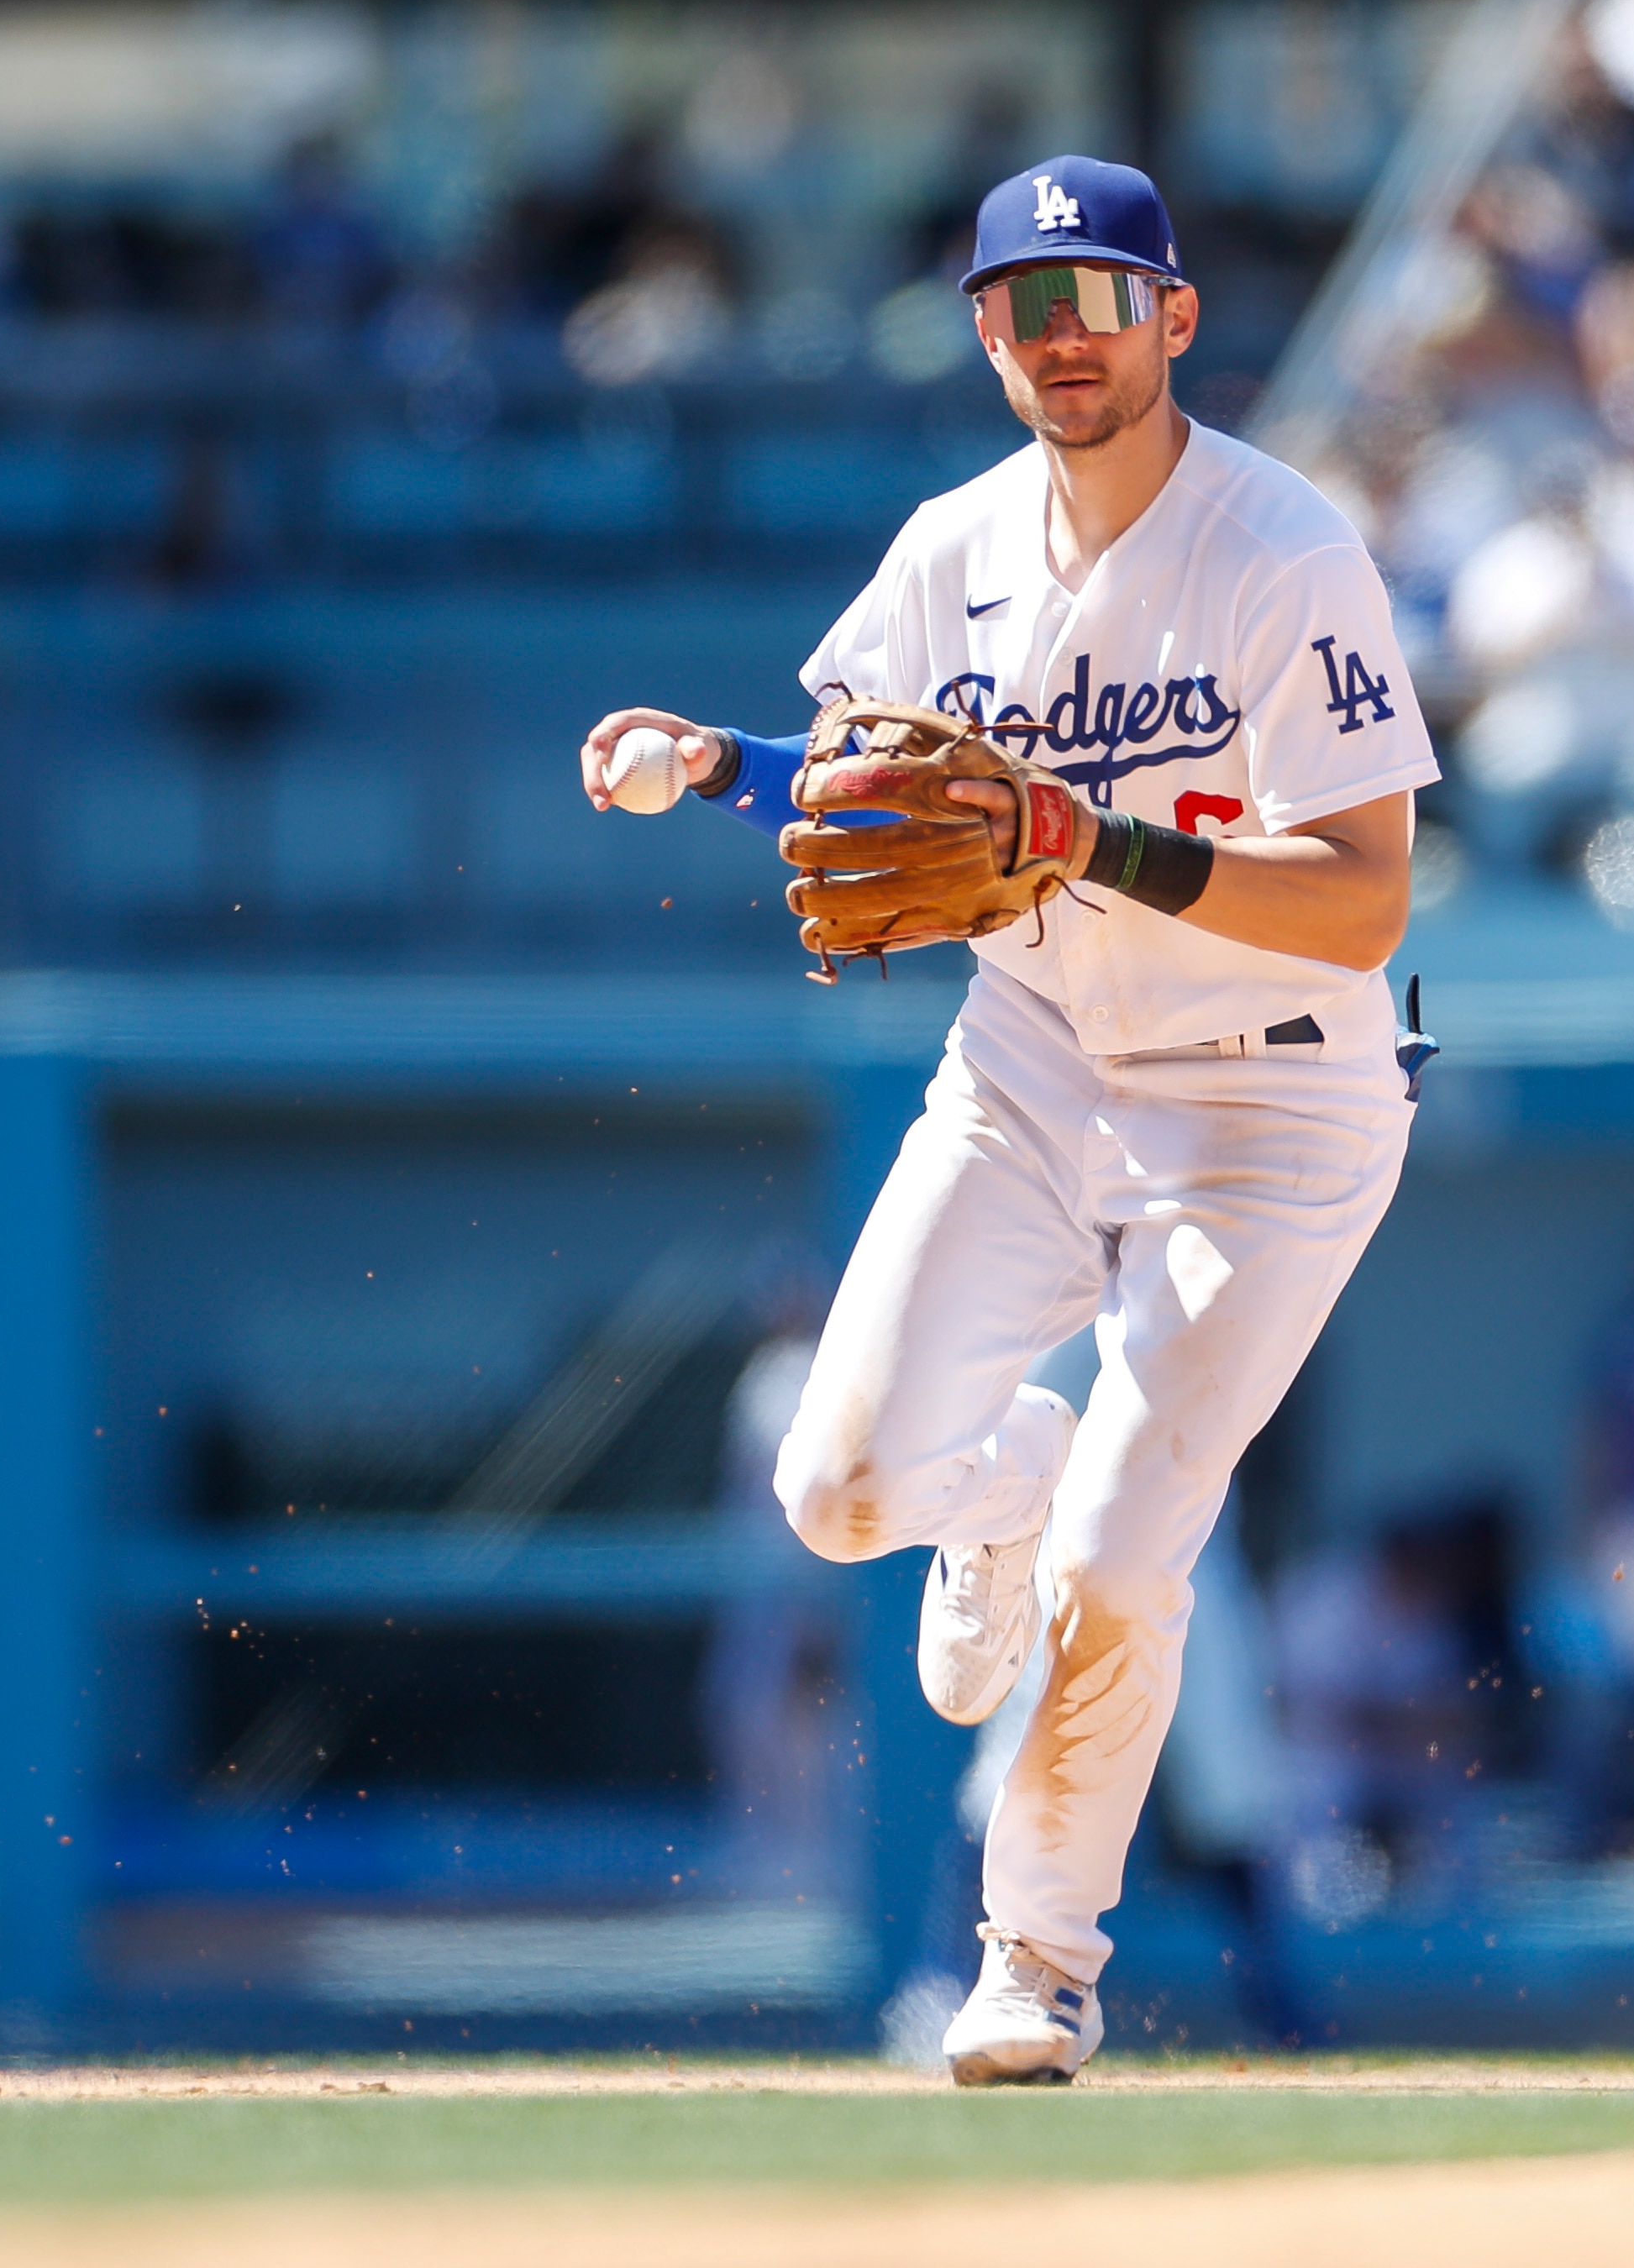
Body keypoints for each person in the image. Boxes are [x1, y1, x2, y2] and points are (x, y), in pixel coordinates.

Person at [579, 154, 1434, 2083]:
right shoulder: (953, 547)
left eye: (1098, 298)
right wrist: (718, 761)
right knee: (836, 1492)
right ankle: (1004, 1482)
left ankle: (1037, 1963)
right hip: (1039, 1060)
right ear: (983, 336)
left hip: (1273, 1105)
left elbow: (1369, 894)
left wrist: (1089, 835)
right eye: (1022, 307)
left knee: (1130, 1558)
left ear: (1175, 319)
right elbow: (869, 776)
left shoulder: (1280, 548)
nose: (1063, 338)